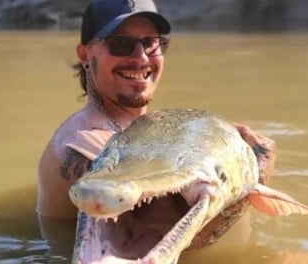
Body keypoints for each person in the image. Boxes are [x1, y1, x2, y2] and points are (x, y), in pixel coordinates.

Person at [37, 0, 275, 244]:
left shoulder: (141, 129)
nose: (140, 58)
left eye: (150, 43)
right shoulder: (85, 143)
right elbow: (169, 241)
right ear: (85, 55)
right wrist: (255, 172)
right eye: (121, 44)